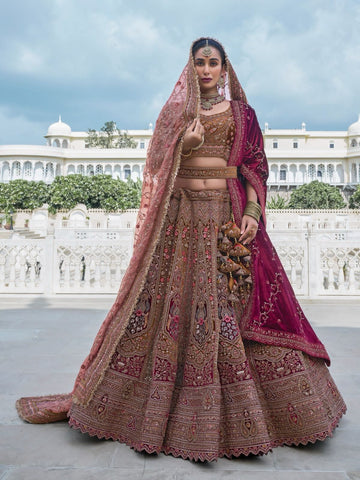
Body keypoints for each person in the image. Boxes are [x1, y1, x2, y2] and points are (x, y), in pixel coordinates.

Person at [16, 37, 346, 462]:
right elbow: (155, 165)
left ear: (225, 69)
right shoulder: (177, 114)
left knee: (232, 304)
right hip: (179, 220)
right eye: (198, 64)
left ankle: (275, 414)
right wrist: (183, 148)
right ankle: (144, 410)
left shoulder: (244, 114)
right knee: (169, 308)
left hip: (226, 218)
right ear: (190, 70)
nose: (206, 70)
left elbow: (255, 165)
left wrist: (251, 210)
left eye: (213, 63)